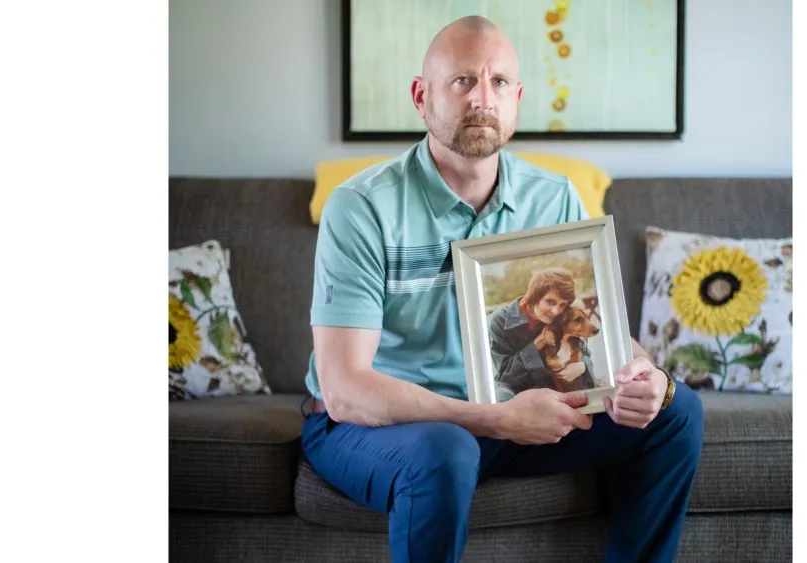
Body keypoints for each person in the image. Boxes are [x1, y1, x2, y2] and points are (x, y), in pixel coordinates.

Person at [301, 15, 703, 563]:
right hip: (385, 428)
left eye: (499, 83)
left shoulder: (555, 198)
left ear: (517, 98)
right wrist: (492, 419)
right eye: (462, 81)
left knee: (678, 410)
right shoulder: (361, 207)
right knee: (445, 448)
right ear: (422, 97)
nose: (482, 99)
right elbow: (345, 388)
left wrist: (644, 374)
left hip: (515, 416)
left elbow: (606, 336)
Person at [487, 267, 595, 396]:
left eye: (562, 305)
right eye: (550, 302)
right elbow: (505, 376)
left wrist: (582, 366)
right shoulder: (500, 320)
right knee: (501, 395)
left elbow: (585, 353)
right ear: (534, 296)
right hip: (519, 392)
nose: (555, 311)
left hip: (555, 389)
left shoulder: (561, 316)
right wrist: (538, 344)